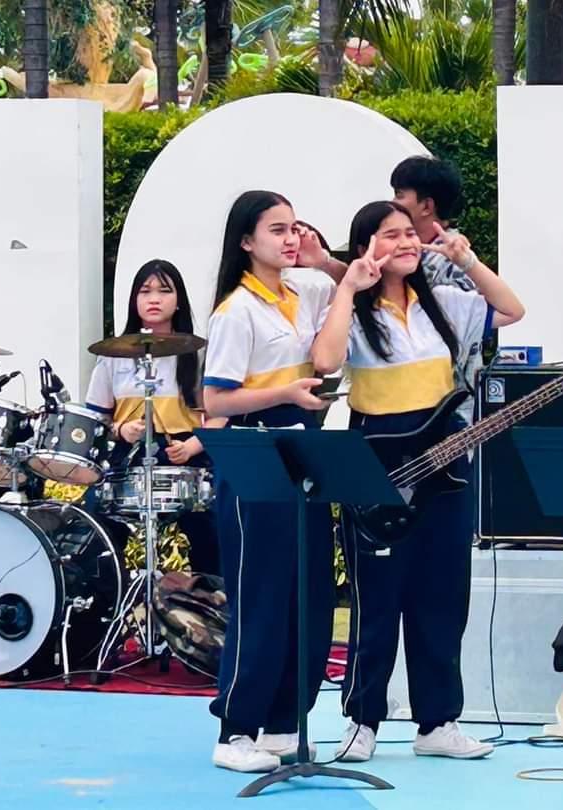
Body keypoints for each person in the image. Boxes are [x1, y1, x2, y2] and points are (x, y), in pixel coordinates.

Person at [311, 200, 525, 763]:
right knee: (377, 599)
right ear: (366, 246)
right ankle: (362, 719)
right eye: (391, 235)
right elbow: (325, 360)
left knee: (442, 597)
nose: (406, 242)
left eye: (411, 233)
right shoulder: (352, 313)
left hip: (446, 466)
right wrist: (347, 286)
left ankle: (438, 722)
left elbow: (512, 309)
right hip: (377, 464)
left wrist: (467, 260)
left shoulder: (446, 303)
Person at [202, 190, 338, 773]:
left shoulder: (304, 291)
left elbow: (350, 284)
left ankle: (285, 721)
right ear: (245, 241)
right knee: (260, 596)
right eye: (277, 230)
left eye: (294, 227)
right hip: (255, 454)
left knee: (309, 594)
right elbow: (215, 400)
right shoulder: (236, 311)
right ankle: (235, 729)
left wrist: (321, 257)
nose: (289, 238)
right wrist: (284, 392)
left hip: (304, 452)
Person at [84, 259, 222, 577]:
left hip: (186, 452)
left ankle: (211, 597)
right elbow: (96, 421)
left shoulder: (198, 353)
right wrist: (121, 430)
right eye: (145, 291)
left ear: (179, 300)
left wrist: (193, 446)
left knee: (212, 527)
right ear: (134, 300)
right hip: (127, 454)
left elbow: (221, 415)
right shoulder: (112, 355)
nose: (154, 299)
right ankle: (106, 596)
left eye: (164, 291)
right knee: (96, 524)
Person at [391, 156, 485, 424]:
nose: (392, 204)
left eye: (399, 195)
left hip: (447, 405)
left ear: (427, 206)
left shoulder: (455, 258)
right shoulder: (413, 252)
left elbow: (468, 328)